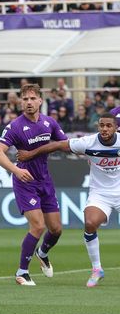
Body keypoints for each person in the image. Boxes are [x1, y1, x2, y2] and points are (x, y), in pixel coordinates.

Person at [16, 113, 119, 288]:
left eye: (109, 126)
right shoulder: (88, 142)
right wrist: (30, 154)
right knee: (90, 223)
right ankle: (97, 269)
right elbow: (57, 145)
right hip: (100, 193)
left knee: (56, 228)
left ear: (116, 127)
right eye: (101, 125)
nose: (104, 129)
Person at [0, 84, 67, 286]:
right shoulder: (15, 126)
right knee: (37, 225)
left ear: (40, 101)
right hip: (25, 182)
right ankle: (22, 272)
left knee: (56, 229)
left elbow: (64, 144)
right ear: (20, 102)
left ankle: (42, 253)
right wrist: (16, 170)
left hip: (45, 181)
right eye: (25, 99)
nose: (29, 103)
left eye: (32, 99)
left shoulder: (49, 123)